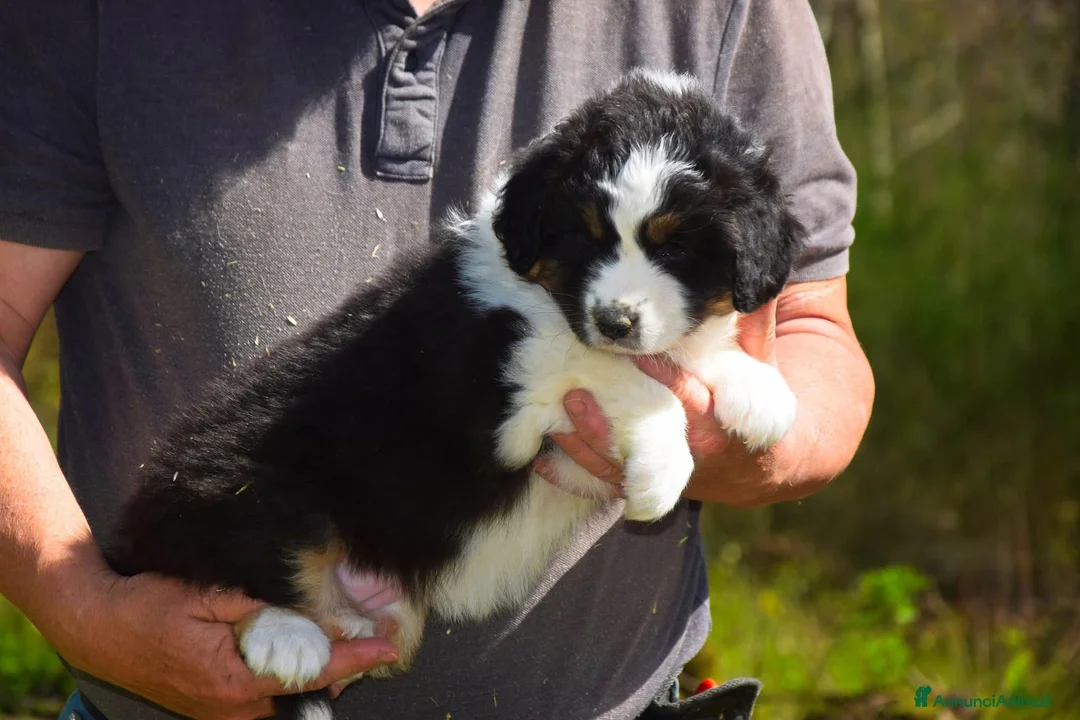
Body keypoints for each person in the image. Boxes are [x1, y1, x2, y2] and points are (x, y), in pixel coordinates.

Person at [0, 0, 874, 718]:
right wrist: (84, 609)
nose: (619, 298)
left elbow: (808, 324)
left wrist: (743, 435)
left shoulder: (729, 17)